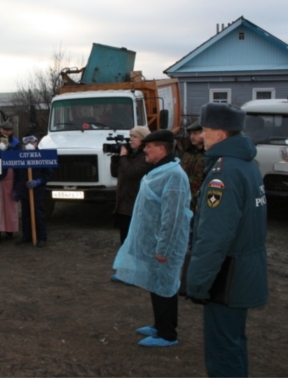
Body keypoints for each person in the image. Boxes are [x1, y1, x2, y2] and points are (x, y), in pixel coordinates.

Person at [186, 103, 268, 377]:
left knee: (222, 351)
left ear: (220, 134)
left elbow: (214, 237)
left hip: (227, 277)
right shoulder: (247, 164)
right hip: (243, 271)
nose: (202, 137)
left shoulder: (224, 173)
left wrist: (197, 284)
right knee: (233, 342)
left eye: (206, 131)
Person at [112, 129, 192, 348]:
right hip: (154, 240)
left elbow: (173, 217)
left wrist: (164, 248)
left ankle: (168, 334)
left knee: (165, 286)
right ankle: (159, 325)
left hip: (165, 244)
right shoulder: (160, 170)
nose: (144, 149)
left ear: (161, 148)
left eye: (148, 146)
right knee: (156, 284)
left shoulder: (174, 176)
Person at [110, 126, 151, 245]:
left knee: (134, 240)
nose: (131, 140)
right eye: (130, 137)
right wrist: (115, 159)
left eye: (135, 137)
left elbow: (132, 173)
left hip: (135, 205)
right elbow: (115, 173)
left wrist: (123, 157)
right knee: (124, 239)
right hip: (123, 205)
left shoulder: (145, 157)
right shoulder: (130, 156)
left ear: (143, 140)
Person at [14, 135, 53, 248]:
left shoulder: (43, 156)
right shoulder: (20, 157)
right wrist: (16, 190)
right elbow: (17, 175)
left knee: (38, 213)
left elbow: (49, 174)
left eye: (32, 141)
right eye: (27, 142)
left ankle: (41, 237)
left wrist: (39, 181)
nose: (30, 144)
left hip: (37, 190)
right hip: (24, 190)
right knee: (26, 214)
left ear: (36, 142)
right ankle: (27, 236)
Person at [180, 121, 205, 214]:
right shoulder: (188, 153)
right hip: (186, 198)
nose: (192, 137)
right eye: (190, 134)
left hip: (200, 200)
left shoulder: (208, 155)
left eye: (195, 134)